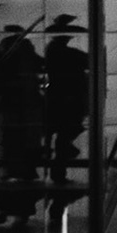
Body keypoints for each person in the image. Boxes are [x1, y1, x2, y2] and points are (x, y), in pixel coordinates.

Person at [0, 25, 46, 225]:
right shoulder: (14, 60)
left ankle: (12, 206)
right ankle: (11, 206)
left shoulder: (21, 59)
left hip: (22, 113)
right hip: (17, 113)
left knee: (17, 155)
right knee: (14, 155)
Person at [43, 14, 89, 182]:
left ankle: (58, 171)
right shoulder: (65, 53)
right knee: (65, 135)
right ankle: (58, 172)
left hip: (59, 97)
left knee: (63, 135)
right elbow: (86, 61)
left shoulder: (53, 51)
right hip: (68, 99)